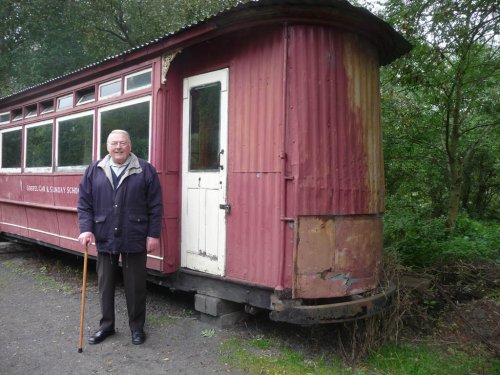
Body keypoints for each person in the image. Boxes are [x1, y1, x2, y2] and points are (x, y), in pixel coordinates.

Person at [77, 129, 163, 345]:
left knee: (135, 285)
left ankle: (137, 327)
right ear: (107, 146)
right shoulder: (94, 170)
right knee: (105, 284)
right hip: (105, 234)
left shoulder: (145, 170)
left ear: (130, 145)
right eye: (114, 143)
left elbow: (155, 205)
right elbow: (85, 204)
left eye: (122, 143)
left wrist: (153, 234)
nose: (118, 147)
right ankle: (106, 327)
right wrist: (86, 229)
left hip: (135, 235)